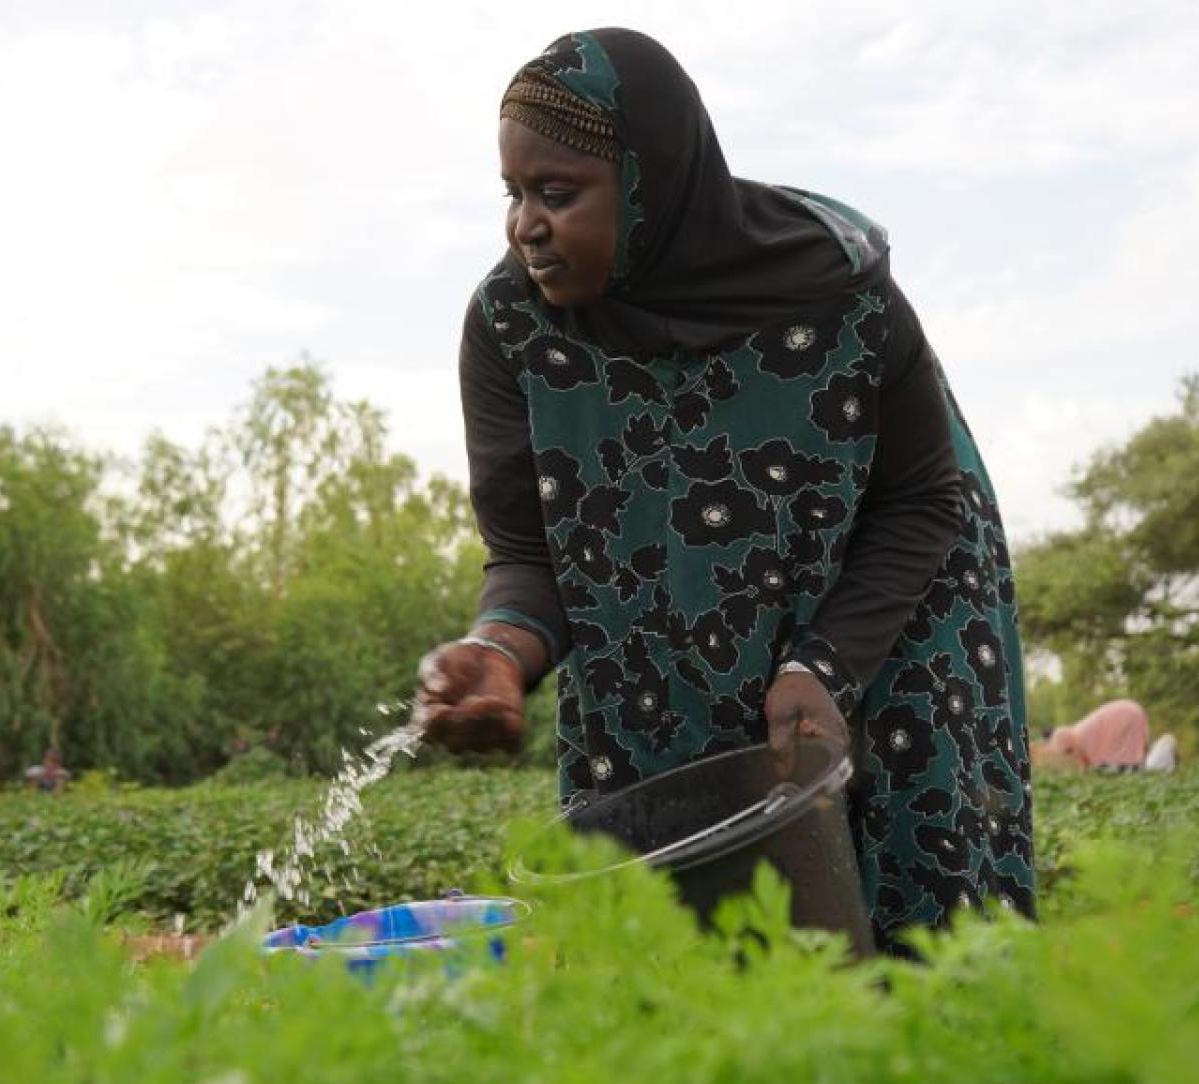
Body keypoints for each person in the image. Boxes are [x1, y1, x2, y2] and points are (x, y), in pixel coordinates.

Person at [414, 29, 1033, 954]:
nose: (525, 226)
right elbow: (529, 556)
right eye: (513, 194)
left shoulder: (840, 294)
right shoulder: (511, 326)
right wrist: (498, 649)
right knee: (690, 942)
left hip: (889, 599)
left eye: (556, 193)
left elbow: (920, 501)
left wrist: (826, 665)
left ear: (651, 182)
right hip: (661, 627)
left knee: (918, 936)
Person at [1035, 699, 1148, 773]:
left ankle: (1130, 766)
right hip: (1129, 711)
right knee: (1128, 746)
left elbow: (1078, 752)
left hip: (1125, 716)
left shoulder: (1073, 736)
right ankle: (1134, 765)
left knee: (1123, 751)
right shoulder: (1075, 731)